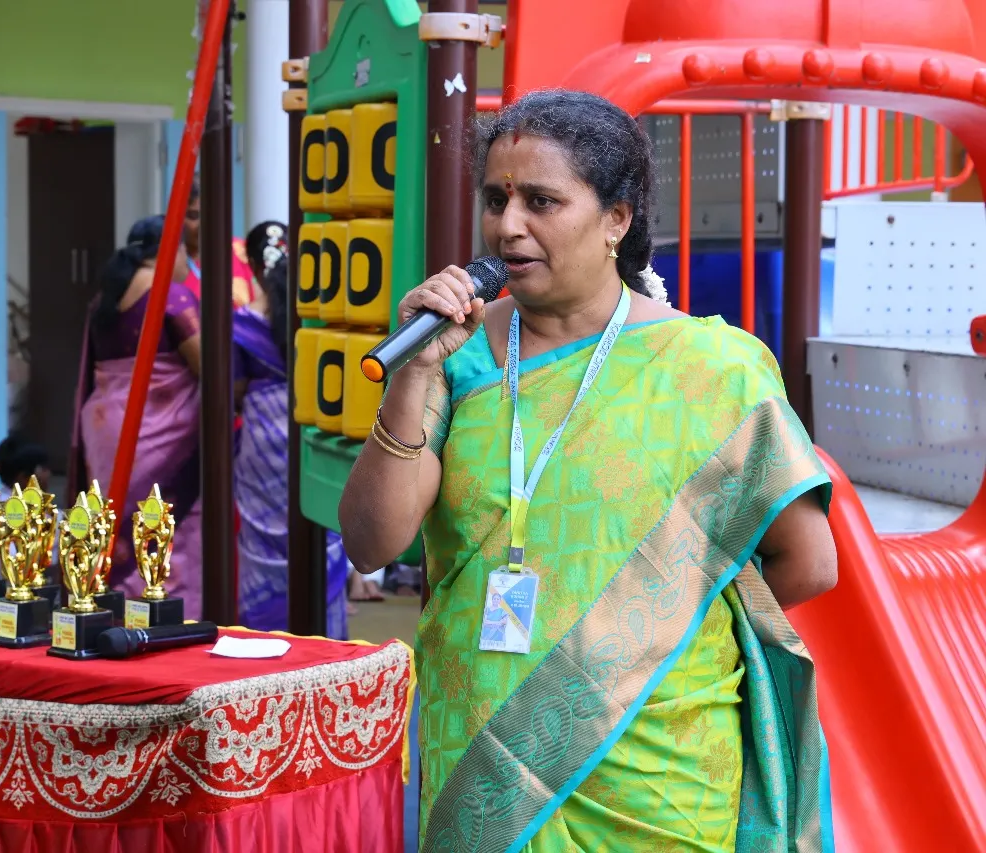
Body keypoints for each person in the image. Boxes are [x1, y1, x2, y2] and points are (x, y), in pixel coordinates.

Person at [338, 90, 838, 852]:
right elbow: (373, 540)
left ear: (617, 219)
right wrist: (413, 375)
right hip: (479, 766)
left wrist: (639, 621)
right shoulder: (455, 358)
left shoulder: (714, 370)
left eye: (541, 201)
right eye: (496, 199)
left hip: (655, 773)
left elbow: (809, 562)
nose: (508, 225)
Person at [70, 215, 203, 618]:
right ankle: (161, 614)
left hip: (105, 429)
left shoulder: (103, 299)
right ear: (172, 251)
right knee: (165, 525)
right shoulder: (172, 296)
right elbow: (208, 367)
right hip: (162, 433)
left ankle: (106, 609)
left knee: (112, 523)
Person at [233, 222, 350, 638]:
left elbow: (233, 391)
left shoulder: (242, 325)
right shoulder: (317, 319)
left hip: (262, 443)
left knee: (261, 540)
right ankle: (326, 646)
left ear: (252, 266)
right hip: (311, 430)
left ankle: (263, 644)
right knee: (320, 526)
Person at [178, 179, 256, 308]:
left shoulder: (245, 252)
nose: (203, 224)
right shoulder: (171, 262)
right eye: (193, 216)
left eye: (211, 215)